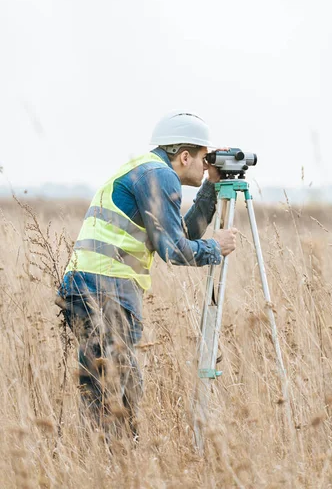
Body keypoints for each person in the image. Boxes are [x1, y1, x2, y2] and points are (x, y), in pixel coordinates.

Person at [57, 111, 237, 439]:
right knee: (118, 393)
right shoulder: (159, 176)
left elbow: (180, 233)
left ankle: (105, 463)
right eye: (204, 157)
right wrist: (215, 247)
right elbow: (174, 249)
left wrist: (211, 186)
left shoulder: (144, 170)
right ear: (184, 156)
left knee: (109, 390)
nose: (206, 163)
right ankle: (114, 466)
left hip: (89, 287)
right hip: (105, 290)